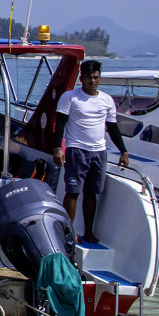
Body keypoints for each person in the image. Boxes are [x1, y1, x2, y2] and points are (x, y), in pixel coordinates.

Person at [56, 59, 129, 246]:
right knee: (73, 192)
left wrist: (124, 151)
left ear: (100, 78)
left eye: (96, 77)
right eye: (89, 78)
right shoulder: (70, 97)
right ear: (81, 78)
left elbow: (112, 128)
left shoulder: (106, 100)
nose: (92, 81)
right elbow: (60, 125)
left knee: (91, 193)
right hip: (76, 150)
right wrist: (58, 148)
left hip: (99, 152)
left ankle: (89, 231)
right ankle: (68, 232)